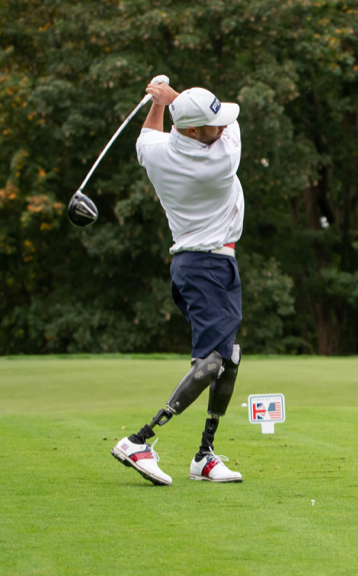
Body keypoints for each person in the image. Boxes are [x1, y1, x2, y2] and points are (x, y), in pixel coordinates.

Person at [111, 79, 245, 486]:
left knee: (230, 359)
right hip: (206, 268)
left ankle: (204, 456)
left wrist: (157, 101)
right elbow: (210, 127)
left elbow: (147, 136)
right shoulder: (223, 158)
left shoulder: (156, 154)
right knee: (210, 365)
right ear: (189, 130)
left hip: (204, 265)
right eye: (211, 125)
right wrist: (171, 97)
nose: (222, 128)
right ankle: (139, 440)